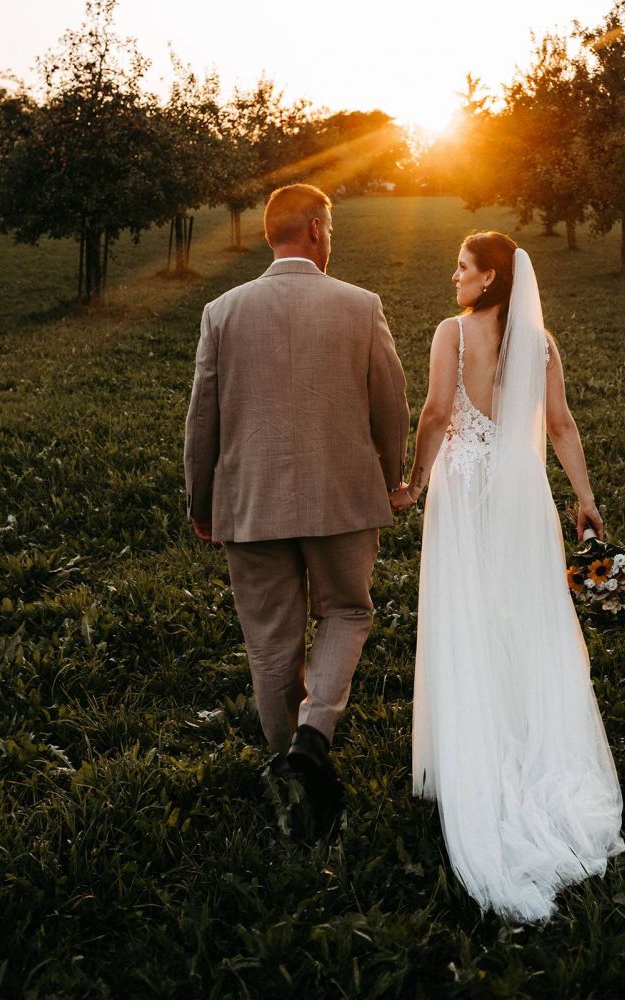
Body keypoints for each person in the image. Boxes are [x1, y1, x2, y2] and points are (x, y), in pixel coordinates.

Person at [406, 231, 625, 921]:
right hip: (524, 490)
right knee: (525, 614)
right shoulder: (540, 341)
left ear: (490, 276)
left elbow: (439, 412)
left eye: (463, 267)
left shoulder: (453, 334)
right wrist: (585, 498)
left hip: (467, 488)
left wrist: (413, 481)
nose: (453, 276)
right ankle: (530, 739)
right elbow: (559, 425)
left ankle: (481, 743)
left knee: (467, 614)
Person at [183, 183, 412, 840]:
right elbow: (390, 404)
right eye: (331, 227)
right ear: (315, 228)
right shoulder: (359, 306)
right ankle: (313, 739)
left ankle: (291, 775)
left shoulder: (222, 311)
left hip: (250, 503)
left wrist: (202, 501)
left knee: (270, 642)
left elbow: (203, 420)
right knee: (346, 609)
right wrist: (387, 475)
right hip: (343, 497)